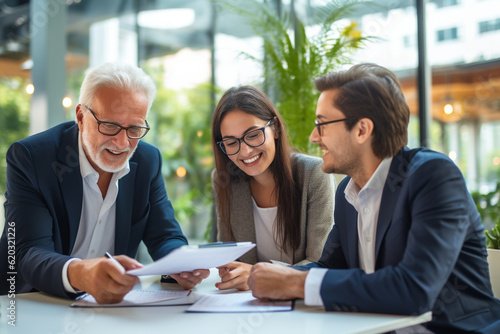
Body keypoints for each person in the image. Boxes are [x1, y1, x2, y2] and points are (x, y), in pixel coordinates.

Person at [247, 63, 500, 333]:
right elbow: (329, 268)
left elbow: (414, 290)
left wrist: (293, 283)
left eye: (321, 124)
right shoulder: (347, 194)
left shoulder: (432, 176)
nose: (314, 137)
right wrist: (270, 276)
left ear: (362, 130)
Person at [0, 62, 209, 303]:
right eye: (109, 126)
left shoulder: (148, 161)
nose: (122, 143)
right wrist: (81, 273)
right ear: (80, 116)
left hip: (111, 308)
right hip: (32, 303)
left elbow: (164, 235)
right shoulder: (32, 158)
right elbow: (26, 252)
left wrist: (182, 264)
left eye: (134, 128)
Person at [211, 85, 335, 291]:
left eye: (253, 135)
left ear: (275, 128)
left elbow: (320, 263)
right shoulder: (225, 181)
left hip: (301, 302)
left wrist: (257, 275)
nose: (245, 150)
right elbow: (229, 258)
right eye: (231, 142)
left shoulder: (314, 174)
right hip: (248, 303)